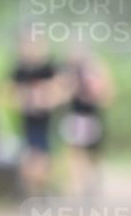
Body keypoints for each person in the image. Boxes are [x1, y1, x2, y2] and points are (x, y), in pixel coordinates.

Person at [59, 48, 115, 198]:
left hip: (90, 119)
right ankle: (77, 189)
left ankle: (89, 184)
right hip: (75, 118)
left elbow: (106, 98)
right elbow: (62, 95)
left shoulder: (96, 72)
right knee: (75, 155)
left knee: (91, 156)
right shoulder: (69, 72)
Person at [10, 33, 61, 196]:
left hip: (47, 121)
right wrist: (25, 98)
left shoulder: (50, 67)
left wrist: (45, 97)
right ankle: (33, 191)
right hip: (27, 121)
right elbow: (11, 94)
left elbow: (62, 89)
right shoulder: (19, 69)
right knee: (29, 157)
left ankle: (42, 189)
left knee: (43, 158)